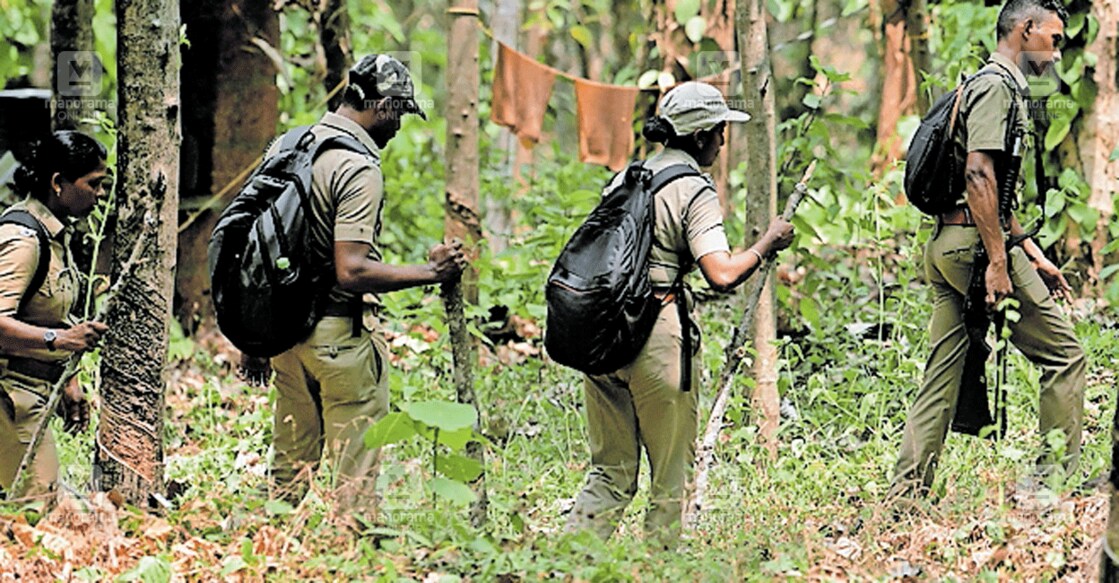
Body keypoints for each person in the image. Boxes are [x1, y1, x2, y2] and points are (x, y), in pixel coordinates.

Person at [564, 82, 795, 546]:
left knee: (610, 471)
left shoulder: (626, 178)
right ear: (700, 136)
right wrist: (768, 243)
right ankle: (659, 568)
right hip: (657, 335)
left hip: (602, 334)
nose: (723, 141)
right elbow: (721, 272)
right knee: (671, 476)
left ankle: (565, 567)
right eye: (718, 131)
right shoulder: (692, 188)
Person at [239, 54, 466, 524]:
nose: (399, 124)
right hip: (337, 339)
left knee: (287, 475)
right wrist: (431, 272)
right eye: (399, 111)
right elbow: (353, 270)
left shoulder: (287, 145)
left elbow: (251, 242)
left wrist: (254, 333)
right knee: (355, 485)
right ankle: (354, 558)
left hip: (284, 337)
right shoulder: (357, 167)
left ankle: (263, 551)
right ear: (378, 105)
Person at [889, 0, 1084, 501]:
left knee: (941, 375)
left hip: (946, 245)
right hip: (974, 250)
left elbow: (994, 186)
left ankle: (903, 497)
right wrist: (1000, 262)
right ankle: (1051, 485)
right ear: (1026, 30)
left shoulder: (985, 83)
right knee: (1065, 356)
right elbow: (978, 175)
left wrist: (1029, 251)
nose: (1058, 53)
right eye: (1054, 39)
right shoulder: (998, 88)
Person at [0, 130, 110, 498]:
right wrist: (60, 341)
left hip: (35, 392)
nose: (100, 194)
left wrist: (70, 383)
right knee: (44, 521)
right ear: (58, 183)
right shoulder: (23, 239)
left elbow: (46, 315)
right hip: (10, 399)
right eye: (93, 184)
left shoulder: (55, 237)